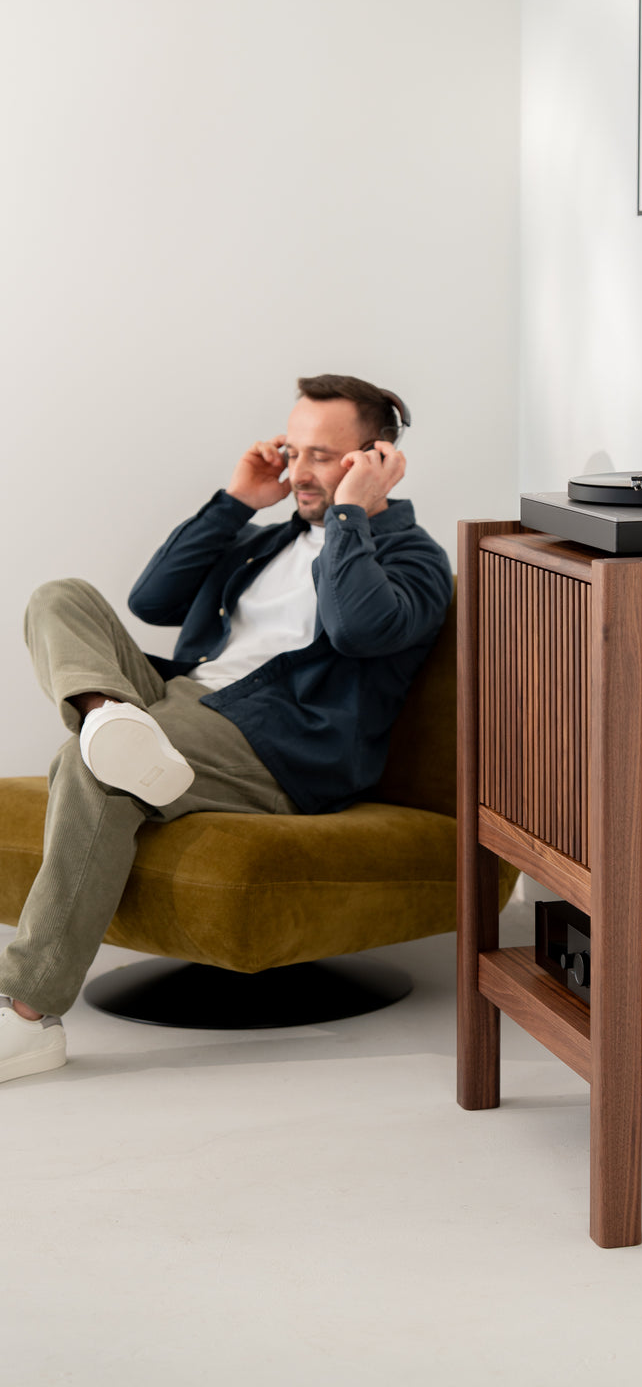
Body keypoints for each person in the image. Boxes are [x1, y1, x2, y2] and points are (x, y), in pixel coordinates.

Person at [0, 374, 452, 1084]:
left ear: (375, 460)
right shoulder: (264, 544)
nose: (300, 472)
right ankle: (108, 718)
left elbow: (358, 629)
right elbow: (153, 600)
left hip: (275, 746)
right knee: (60, 599)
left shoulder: (415, 561)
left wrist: (349, 517)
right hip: (180, 702)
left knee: (91, 770)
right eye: (293, 450)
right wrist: (239, 501)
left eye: (323, 457)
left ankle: (28, 1014)